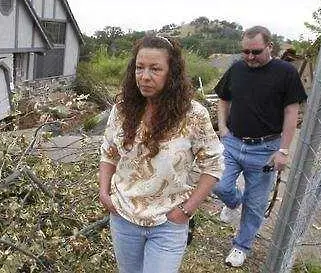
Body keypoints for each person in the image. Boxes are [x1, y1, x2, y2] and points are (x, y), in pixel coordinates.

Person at [99, 34, 224, 273]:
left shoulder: (193, 115)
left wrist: (187, 210)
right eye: (139, 68)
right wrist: (104, 193)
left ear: (172, 73)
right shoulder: (123, 110)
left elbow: (214, 166)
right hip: (124, 217)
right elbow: (109, 153)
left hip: (168, 222)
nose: (145, 77)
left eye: (155, 69)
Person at [212, 26, 307, 267]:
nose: (250, 57)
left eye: (256, 52)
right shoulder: (237, 68)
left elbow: (291, 112)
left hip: (265, 149)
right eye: (246, 52)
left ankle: (240, 246)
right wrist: (223, 128)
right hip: (233, 143)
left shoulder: (285, 73)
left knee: (255, 204)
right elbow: (223, 98)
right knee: (218, 184)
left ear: (270, 47)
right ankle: (233, 202)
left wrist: (283, 150)